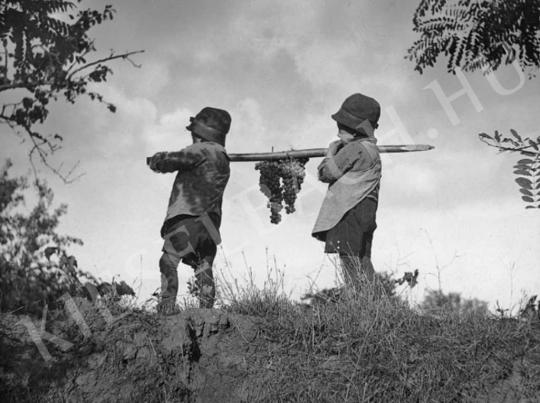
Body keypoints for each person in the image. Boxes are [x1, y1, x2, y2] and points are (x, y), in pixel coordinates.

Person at [148, 107, 231, 312]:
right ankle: (206, 310)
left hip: (188, 218)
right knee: (203, 266)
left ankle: (167, 306)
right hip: (211, 225)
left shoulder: (200, 150)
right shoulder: (223, 158)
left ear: (199, 134)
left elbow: (170, 161)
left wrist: (157, 160)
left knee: (168, 260)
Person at [312, 93, 382, 288]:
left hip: (351, 210)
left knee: (349, 258)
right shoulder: (371, 150)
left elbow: (326, 173)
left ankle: (358, 303)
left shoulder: (354, 150)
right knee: (363, 258)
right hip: (366, 209)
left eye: (342, 129)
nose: (338, 134)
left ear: (356, 130)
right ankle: (373, 304)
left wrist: (330, 153)